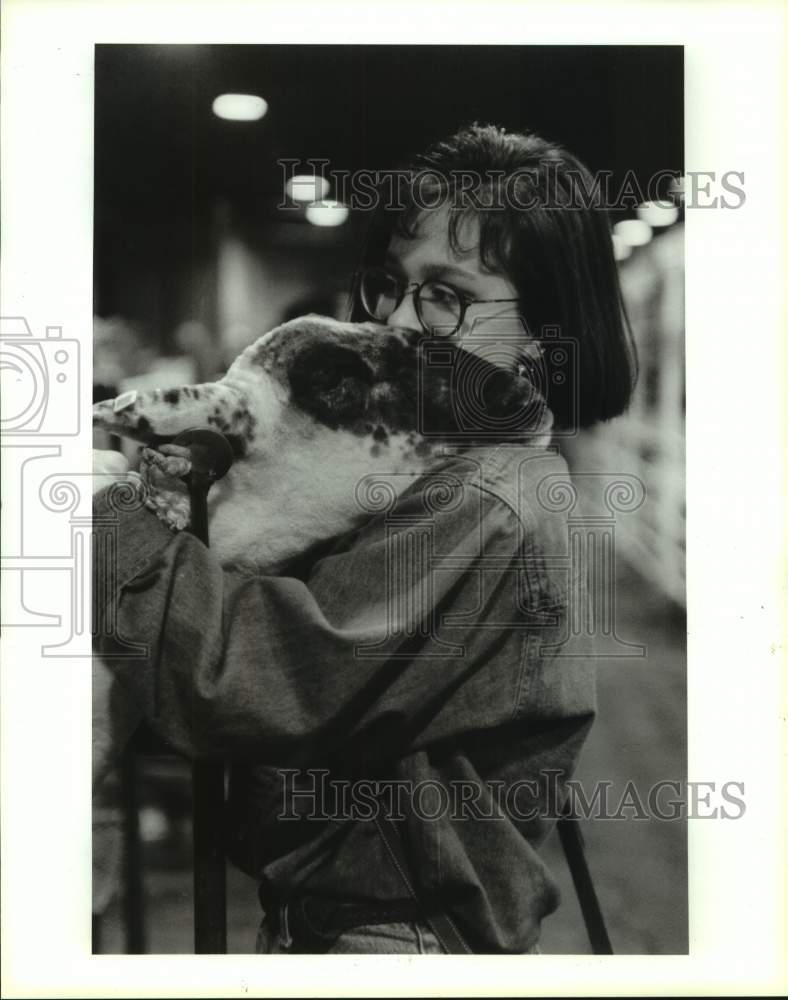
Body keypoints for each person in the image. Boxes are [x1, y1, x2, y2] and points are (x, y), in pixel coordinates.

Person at [93, 123, 636, 954]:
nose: (403, 321)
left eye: (448, 295)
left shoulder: (485, 499)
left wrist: (107, 516)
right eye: (392, 284)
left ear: (542, 338)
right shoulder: (437, 465)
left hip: (390, 941)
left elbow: (252, 680)